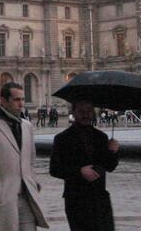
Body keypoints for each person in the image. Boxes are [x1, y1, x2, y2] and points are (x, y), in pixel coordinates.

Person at [0, 82, 48, 231]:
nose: (21, 104)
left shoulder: (27, 126)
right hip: (3, 198)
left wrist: (33, 181)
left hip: (27, 197)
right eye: (17, 100)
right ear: (3, 101)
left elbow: (30, 159)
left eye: (23, 99)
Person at [50, 98, 119, 231]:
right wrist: (79, 171)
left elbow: (110, 166)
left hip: (99, 199)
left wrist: (113, 151)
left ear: (93, 113)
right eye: (81, 111)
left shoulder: (101, 137)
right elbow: (54, 169)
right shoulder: (62, 139)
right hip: (76, 200)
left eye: (89, 111)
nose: (86, 115)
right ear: (73, 112)